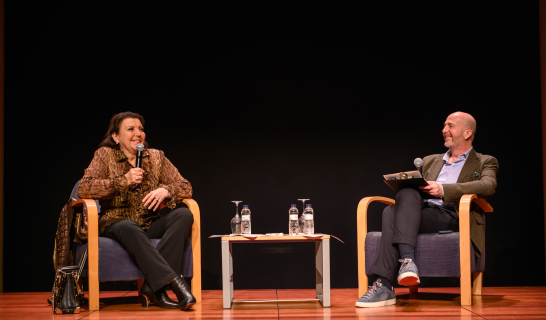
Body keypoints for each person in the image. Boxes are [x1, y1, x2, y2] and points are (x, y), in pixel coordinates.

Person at [355, 112, 499, 308]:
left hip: (455, 215)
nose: (444, 130)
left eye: (450, 126)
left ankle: (384, 285)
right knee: (399, 200)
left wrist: (443, 190)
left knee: (391, 213)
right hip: (422, 212)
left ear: (467, 133)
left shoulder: (485, 161)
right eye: (444, 126)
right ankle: (406, 262)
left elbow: (488, 186)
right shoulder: (430, 160)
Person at [77, 111, 196, 310]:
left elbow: (186, 187)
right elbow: (85, 187)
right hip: (116, 223)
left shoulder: (156, 157)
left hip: (149, 222)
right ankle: (173, 285)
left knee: (184, 214)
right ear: (115, 136)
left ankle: (152, 287)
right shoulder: (105, 155)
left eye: (140, 129)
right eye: (130, 129)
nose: (137, 133)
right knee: (130, 226)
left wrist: (166, 190)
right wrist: (124, 180)